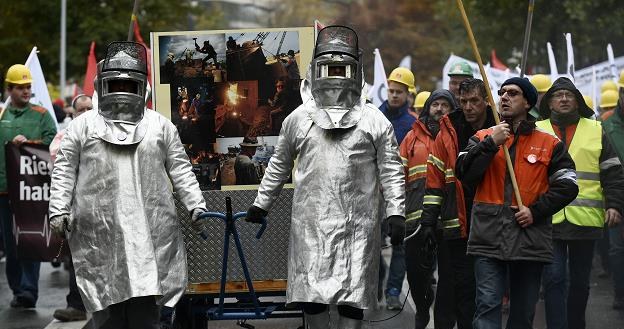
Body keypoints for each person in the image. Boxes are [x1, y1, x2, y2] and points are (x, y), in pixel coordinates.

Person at [245, 25, 405, 329]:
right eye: (329, 68)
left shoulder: (374, 120)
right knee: (311, 296)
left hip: (358, 226)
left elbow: (391, 169)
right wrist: (261, 203)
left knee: (353, 297)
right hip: (311, 225)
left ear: (355, 72)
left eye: (341, 69)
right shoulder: (298, 119)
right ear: (315, 71)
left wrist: (396, 212)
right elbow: (279, 164)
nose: (335, 76)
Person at [48, 42, 207, 328]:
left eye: (128, 84)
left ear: (141, 86)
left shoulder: (160, 126)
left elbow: (181, 169)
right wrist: (58, 209)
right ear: (102, 84)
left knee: (145, 310)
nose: (122, 90)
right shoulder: (81, 127)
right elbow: (64, 170)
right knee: (106, 309)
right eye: (116, 83)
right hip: (98, 233)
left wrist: (195, 204)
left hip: (150, 232)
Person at [456, 77, 578, 329]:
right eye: (501, 93)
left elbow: (568, 186)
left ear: (528, 103)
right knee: (487, 305)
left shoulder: (550, 143)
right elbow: (464, 174)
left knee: (522, 314)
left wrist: (535, 211)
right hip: (488, 239)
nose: (504, 97)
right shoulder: (482, 137)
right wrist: (490, 144)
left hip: (528, 240)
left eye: (512, 93)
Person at [537, 77, 624, 329]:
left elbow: (612, 172)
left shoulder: (596, 129)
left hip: (585, 221)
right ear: (549, 102)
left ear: (577, 101)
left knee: (579, 282)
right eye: (558, 95)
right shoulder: (536, 129)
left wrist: (615, 205)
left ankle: (576, 324)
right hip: (547, 218)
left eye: (569, 95)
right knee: (553, 278)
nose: (564, 99)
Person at [421, 78, 497, 329]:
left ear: (487, 101)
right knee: (454, 285)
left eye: (474, 101)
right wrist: (429, 220)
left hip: (491, 220)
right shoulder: (448, 130)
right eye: (464, 101)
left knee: (484, 288)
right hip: (455, 222)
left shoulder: (499, 128)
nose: (468, 107)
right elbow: (435, 177)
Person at [1, 64, 57, 308]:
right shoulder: (1, 117)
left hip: (32, 191)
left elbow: (53, 145)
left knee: (30, 239)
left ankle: (28, 291)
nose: (26, 91)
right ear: (9, 89)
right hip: (5, 190)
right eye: (20, 88)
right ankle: (17, 288)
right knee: (11, 245)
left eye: (28, 87)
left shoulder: (42, 114)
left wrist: (30, 143)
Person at [400, 88, 456, 328]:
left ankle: (444, 321)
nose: (440, 109)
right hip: (416, 221)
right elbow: (396, 176)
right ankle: (423, 307)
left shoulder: (456, 137)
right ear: (428, 108)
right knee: (415, 274)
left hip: (449, 220)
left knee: (449, 279)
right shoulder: (411, 138)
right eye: (436, 104)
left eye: (445, 105)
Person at [49, 94, 92, 322]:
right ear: (73, 114)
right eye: (81, 110)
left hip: (104, 208)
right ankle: (76, 305)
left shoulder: (104, 132)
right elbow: (57, 158)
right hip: (78, 209)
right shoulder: (65, 136)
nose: (85, 114)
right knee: (76, 258)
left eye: (89, 109)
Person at [378, 66, 415, 310]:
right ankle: (377, 280)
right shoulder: (373, 117)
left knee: (400, 247)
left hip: (403, 194)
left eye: (399, 92)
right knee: (371, 246)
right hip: (374, 195)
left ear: (408, 94)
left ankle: (393, 291)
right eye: (391, 90)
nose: (394, 95)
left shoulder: (413, 124)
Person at [602, 74, 624, 310]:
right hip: (619, 197)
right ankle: (620, 293)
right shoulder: (607, 126)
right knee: (617, 249)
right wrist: (612, 202)